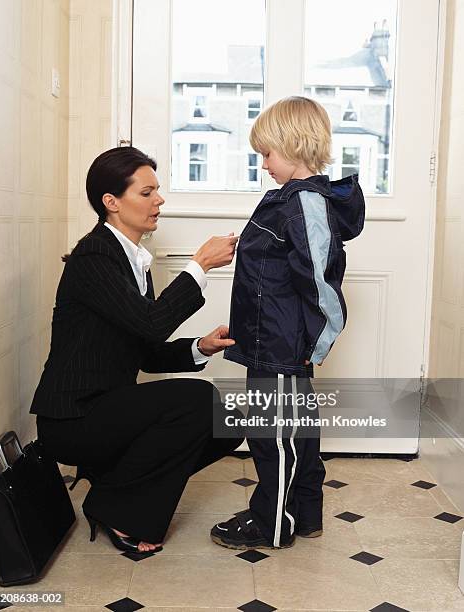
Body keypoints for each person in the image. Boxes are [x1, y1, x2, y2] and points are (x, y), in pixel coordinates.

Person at [31, 146, 243, 553]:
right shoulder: (95, 257)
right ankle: (120, 511)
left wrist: (199, 347)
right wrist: (200, 264)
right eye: (146, 193)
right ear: (111, 202)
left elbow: (144, 349)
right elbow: (151, 323)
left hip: (108, 409)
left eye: (157, 191)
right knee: (199, 399)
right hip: (73, 420)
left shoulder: (131, 260)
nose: (159, 200)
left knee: (227, 421)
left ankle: (114, 487)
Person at [210, 96, 365, 549]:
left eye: (267, 154)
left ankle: (271, 523)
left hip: (281, 346)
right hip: (271, 340)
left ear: (294, 147)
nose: (263, 165)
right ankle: (303, 513)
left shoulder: (305, 205)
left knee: (274, 437)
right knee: (294, 432)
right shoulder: (291, 201)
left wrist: (315, 344)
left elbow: (320, 282)